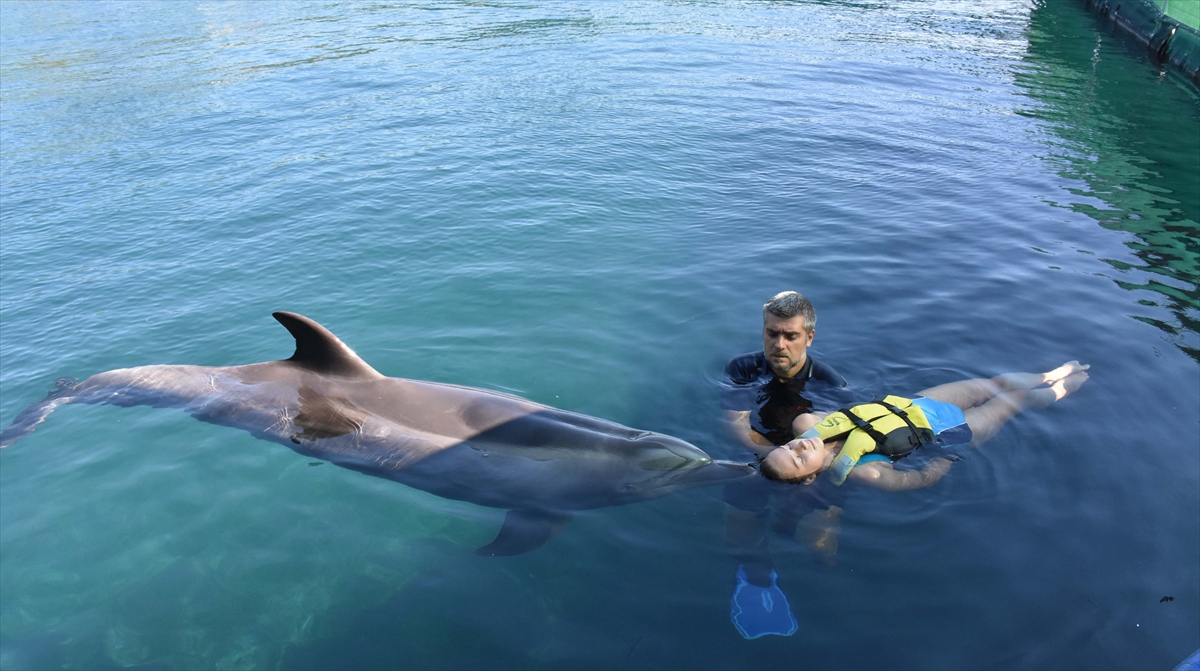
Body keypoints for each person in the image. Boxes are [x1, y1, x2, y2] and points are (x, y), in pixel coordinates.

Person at [721, 291, 850, 639]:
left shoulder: (829, 384)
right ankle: (754, 575)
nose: (779, 344)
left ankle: (825, 589)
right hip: (761, 459)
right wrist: (777, 460)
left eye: (790, 336)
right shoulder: (742, 369)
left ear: (809, 337)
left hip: (808, 469)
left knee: (822, 543)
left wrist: (802, 469)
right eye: (771, 333)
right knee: (739, 495)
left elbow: (836, 446)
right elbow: (736, 425)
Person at [758, 361, 1090, 487]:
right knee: (1013, 401)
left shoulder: (808, 428)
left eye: (790, 447)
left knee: (997, 383)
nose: (800, 445)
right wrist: (948, 458)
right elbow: (919, 479)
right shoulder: (866, 471)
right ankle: (1060, 390)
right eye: (799, 459)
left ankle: (1050, 374)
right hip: (948, 432)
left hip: (920, 405)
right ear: (810, 479)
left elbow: (806, 420)